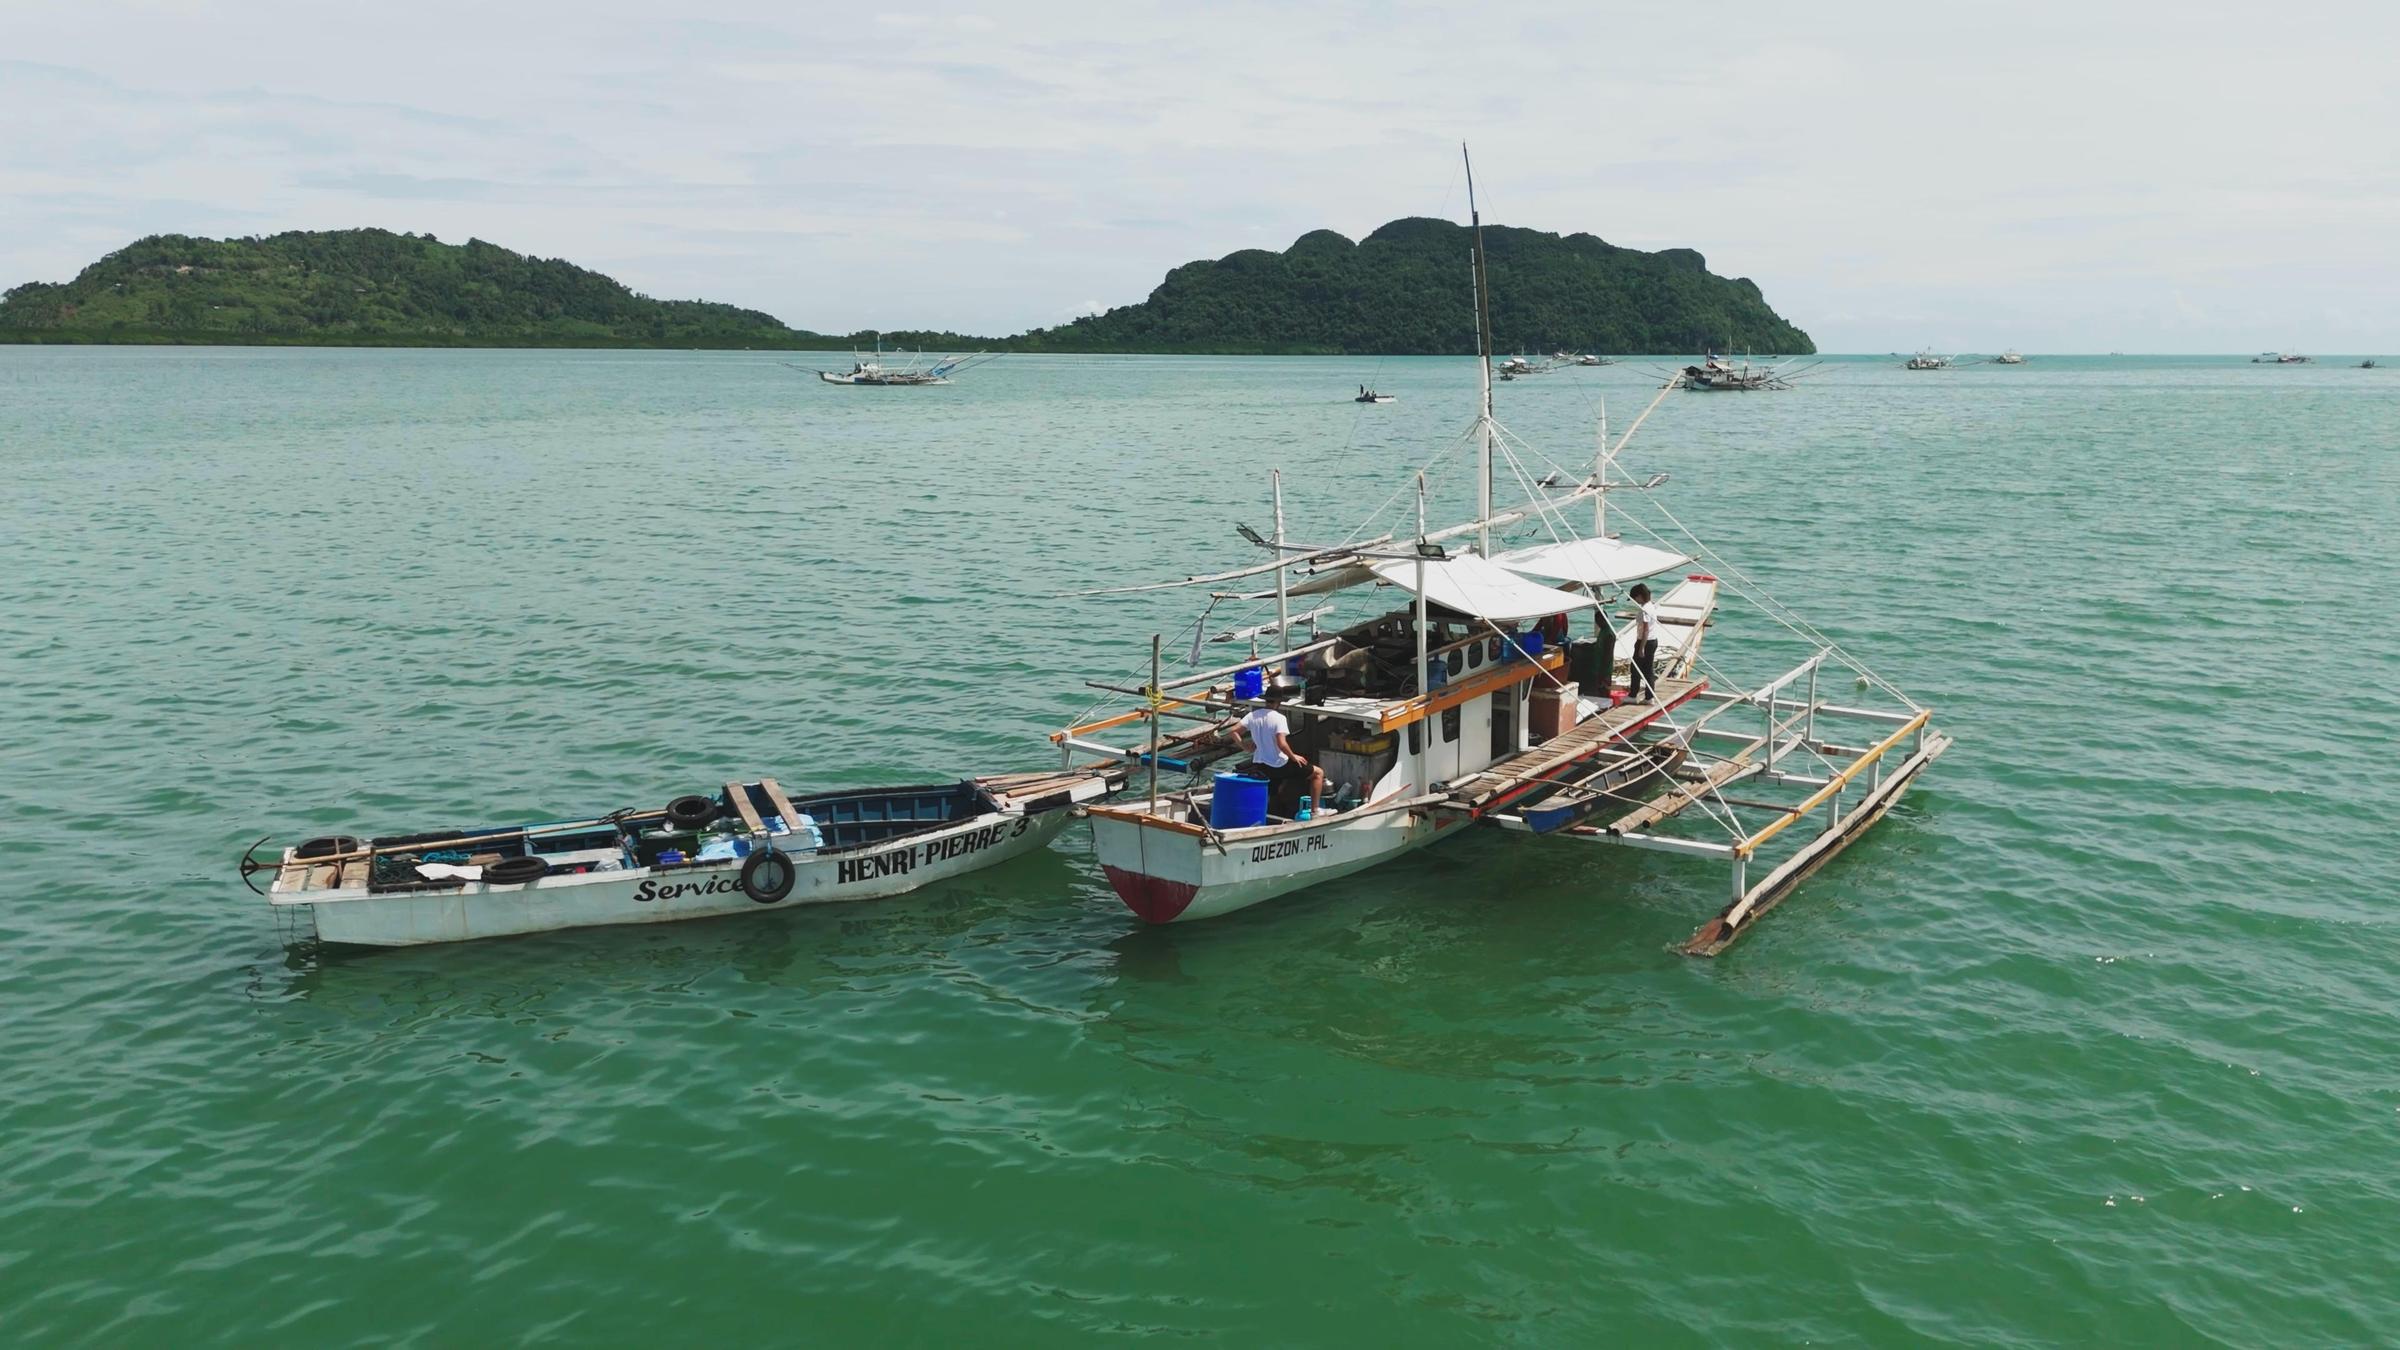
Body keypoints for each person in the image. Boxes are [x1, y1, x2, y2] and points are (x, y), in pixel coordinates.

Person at [1232, 683, 1324, 812]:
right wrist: (1293, 756)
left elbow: (1233, 731)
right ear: (1278, 702)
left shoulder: (1252, 715)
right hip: (1279, 764)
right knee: (1318, 773)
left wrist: (1244, 746)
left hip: (1261, 764)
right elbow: (1282, 743)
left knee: (1275, 787)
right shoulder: (1279, 718)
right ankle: (1316, 811)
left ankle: (1271, 810)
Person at [1626, 583, 1660, 702]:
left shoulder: (1645, 609)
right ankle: (1649, 697)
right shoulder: (1651, 606)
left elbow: (1646, 630)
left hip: (1645, 642)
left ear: (1640, 596)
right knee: (1648, 669)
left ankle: (1633, 695)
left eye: (1635, 598)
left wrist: (1641, 648)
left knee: (1636, 668)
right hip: (1652, 640)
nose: (1635, 601)